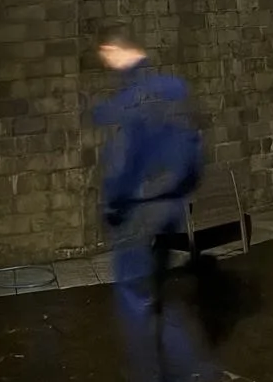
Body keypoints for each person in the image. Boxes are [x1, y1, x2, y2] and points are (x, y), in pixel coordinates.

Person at [94, 24, 214, 382]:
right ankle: (191, 371)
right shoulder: (170, 87)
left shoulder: (133, 97)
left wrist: (113, 205)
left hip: (137, 210)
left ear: (116, 50)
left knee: (135, 293)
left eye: (106, 54)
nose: (105, 61)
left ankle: (161, 373)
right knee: (154, 292)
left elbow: (126, 162)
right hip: (166, 208)